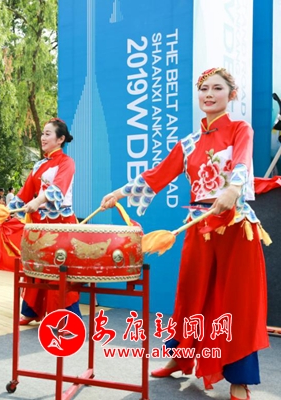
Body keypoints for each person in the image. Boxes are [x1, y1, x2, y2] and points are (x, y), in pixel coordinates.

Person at [100, 68, 268, 400]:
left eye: (217, 88)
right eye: (203, 89)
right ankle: (180, 356)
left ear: (231, 95)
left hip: (235, 225)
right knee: (190, 294)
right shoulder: (189, 143)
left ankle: (240, 377)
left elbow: (242, 163)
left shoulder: (240, 129)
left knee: (238, 300)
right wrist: (119, 192)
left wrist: (234, 188)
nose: (209, 94)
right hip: (199, 225)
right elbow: (157, 175)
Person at [8, 118, 79, 324]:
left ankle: (68, 318)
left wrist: (38, 201)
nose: (43, 138)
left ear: (60, 139)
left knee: (60, 270)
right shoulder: (40, 165)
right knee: (36, 267)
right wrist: (6, 212)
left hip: (61, 225)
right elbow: (24, 194)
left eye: (48, 134)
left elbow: (57, 189)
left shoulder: (67, 162)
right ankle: (31, 311)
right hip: (41, 225)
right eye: (42, 134)